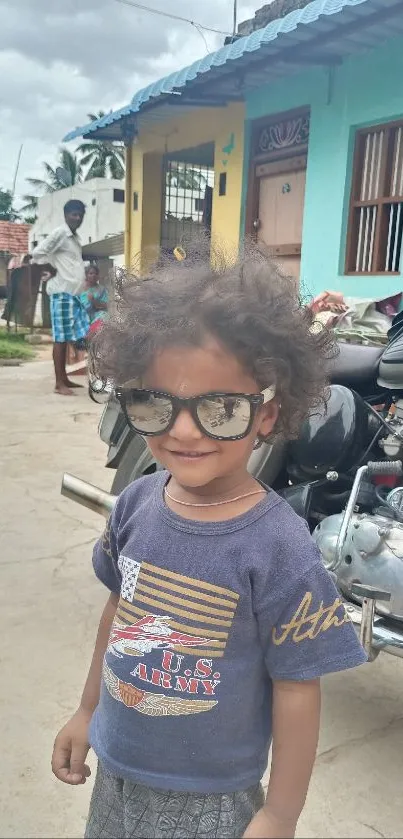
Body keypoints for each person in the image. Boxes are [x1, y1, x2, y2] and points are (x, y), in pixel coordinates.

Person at [52, 253, 367, 839]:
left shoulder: (278, 545)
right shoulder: (138, 504)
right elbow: (119, 613)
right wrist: (88, 709)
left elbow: (298, 688)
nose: (184, 431)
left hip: (212, 805)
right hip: (116, 773)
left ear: (267, 414)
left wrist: (279, 814)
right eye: (155, 403)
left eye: (221, 408)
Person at [32, 199, 89, 396]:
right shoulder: (60, 233)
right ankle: (59, 383)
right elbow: (38, 253)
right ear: (66, 215)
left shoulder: (75, 238)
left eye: (80, 214)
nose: (78, 217)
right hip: (61, 293)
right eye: (74, 214)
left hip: (72, 295)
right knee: (60, 338)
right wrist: (50, 270)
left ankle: (64, 378)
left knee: (66, 338)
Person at [80, 264, 109, 335]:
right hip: (81, 317)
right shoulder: (79, 289)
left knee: (103, 316)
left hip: (96, 316)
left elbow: (106, 305)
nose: (94, 275)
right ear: (86, 275)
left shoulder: (101, 289)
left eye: (96, 274)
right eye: (91, 273)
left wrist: (93, 301)